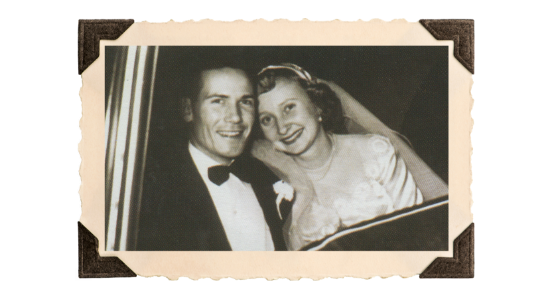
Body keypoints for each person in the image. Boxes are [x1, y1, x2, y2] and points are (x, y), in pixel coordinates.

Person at [253, 63, 424, 250]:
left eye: (289, 108)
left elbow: (419, 228)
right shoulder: (273, 190)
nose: (282, 127)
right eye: (267, 119)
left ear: (317, 106)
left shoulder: (374, 152)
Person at [135, 65, 287, 251]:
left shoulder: (269, 173)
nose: (235, 117)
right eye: (218, 101)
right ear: (188, 110)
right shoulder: (151, 193)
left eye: (245, 102)